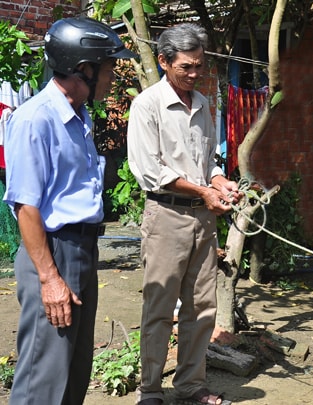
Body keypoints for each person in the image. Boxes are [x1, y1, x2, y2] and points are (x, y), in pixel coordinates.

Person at [2, 17, 137, 405]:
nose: (113, 78)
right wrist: (49, 279)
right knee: (43, 375)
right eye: (109, 69)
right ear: (84, 69)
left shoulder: (79, 115)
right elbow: (26, 206)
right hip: (52, 252)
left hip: (80, 249)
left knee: (75, 369)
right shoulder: (36, 119)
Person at [127, 23, 241, 405]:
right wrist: (204, 191)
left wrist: (220, 181)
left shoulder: (204, 104)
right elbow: (149, 171)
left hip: (203, 220)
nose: (194, 74)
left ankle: (191, 385)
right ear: (163, 61)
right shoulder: (147, 105)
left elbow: (205, 162)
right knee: (160, 307)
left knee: (202, 307)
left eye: (199, 67)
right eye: (186, 67)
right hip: (166, 217)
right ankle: (150, 389)